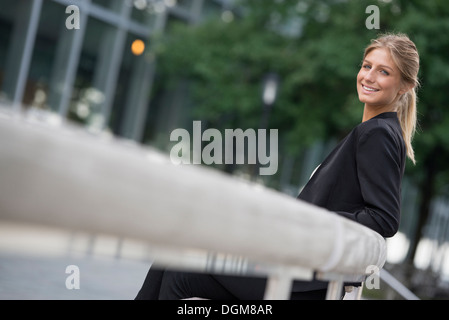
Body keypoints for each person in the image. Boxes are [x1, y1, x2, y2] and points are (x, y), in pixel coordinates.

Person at [135, 32, 420, 300]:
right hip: (301, 267)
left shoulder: (377, 133)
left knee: (180, 269)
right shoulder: (380, 131)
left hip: (303, 277)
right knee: (175, 264)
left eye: (384, 71)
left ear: (405, 85)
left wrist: (313, 223)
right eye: (367, 66)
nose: (369, 76)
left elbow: (384, 218)